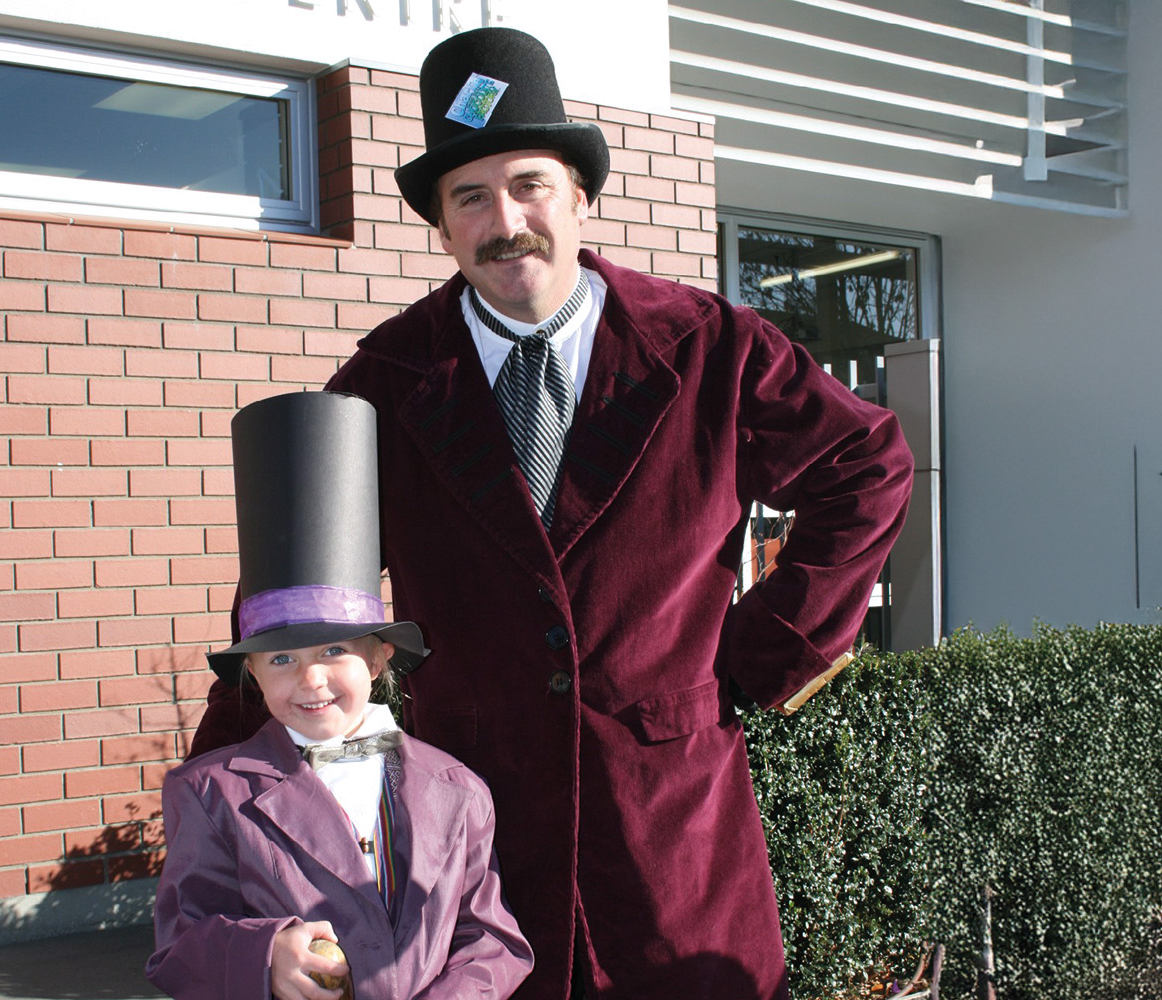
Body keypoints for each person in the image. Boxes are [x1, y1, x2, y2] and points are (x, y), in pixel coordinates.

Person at [188, 27, 914, 1000]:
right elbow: (289, 618)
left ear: (579, 194)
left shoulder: (709, 347)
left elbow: (864, 462)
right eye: (471, 197)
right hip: (474, 862)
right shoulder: (382, 389)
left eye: (529, 183)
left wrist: (765, 651)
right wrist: (228, 821)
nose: (506, 219)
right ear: (443, 227)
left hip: (678, 845)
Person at [148, 393, 532, 1000]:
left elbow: (490, 940)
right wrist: (263, 954)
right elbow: (178, 948)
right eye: (281, 658)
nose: (311, 678)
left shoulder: (459, 791)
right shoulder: (209, 794)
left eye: (334, 652)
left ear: (380, 658)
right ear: (251, 672)